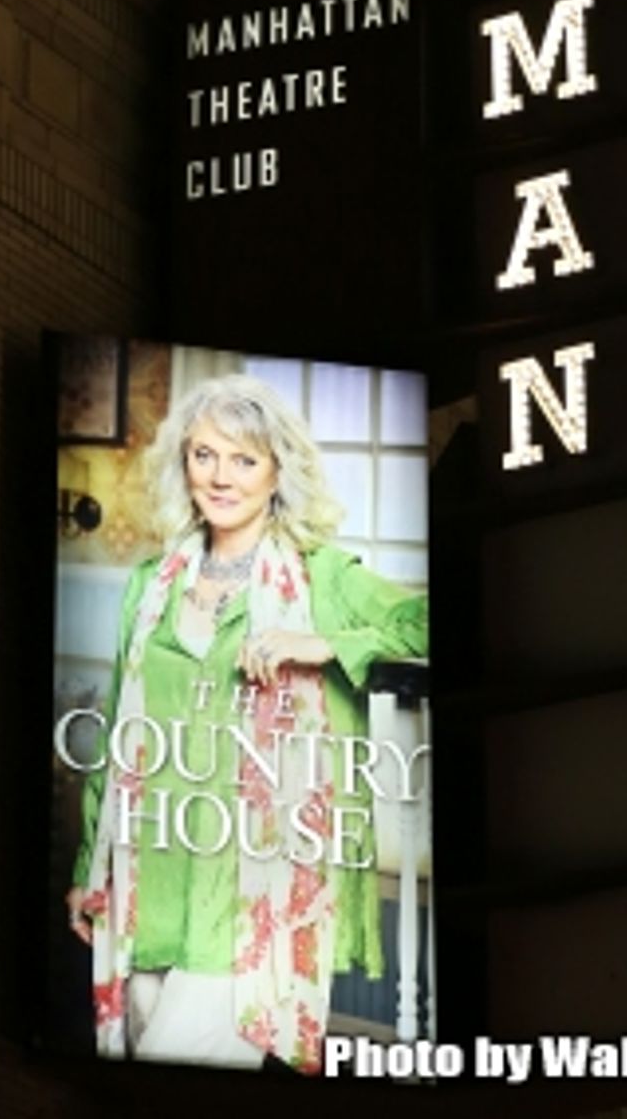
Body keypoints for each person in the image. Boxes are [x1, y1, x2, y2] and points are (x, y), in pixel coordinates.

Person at [64, 372, 429, 1070]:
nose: (220, 477)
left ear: (277, 471)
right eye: (204, 455)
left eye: (243, 459)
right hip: (148, 883)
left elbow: (433, 622)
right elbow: (118, 738)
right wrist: (90, 867)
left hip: (249, 900)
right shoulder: (150, 585)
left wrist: (328, 645)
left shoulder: (323, 577)